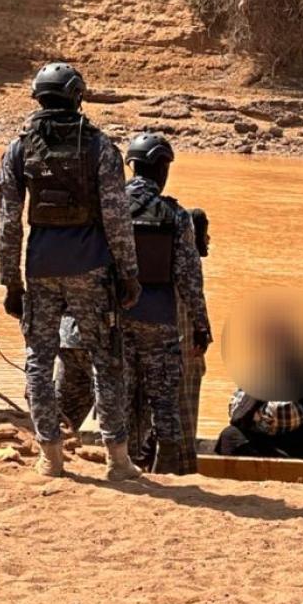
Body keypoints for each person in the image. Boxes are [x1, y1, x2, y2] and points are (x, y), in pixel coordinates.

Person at [0, 62, 143, 480]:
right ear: (77, 97)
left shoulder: (18, 148)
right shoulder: (100, 147)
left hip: (40, 268)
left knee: (38, 362)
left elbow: (7, 222)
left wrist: (11, 281)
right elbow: (117, 219)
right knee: (105, 360)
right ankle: (117, 460)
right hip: (92, 268)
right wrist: (129, 274)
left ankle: (51, 457)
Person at [120, 133, 212, 474]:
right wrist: (201, 326)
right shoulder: (175, 215)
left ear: (132, 167)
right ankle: (170, 472)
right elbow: (189, 278)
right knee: (164, 403)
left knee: (121, 400)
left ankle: (123, 466)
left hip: (115, 321)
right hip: (159, 322)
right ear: (162, 168)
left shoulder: (108, 208)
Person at [172, 207, 211, 474]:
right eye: (205, 233)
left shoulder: (169, 265)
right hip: (185, 352)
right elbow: (195, 308)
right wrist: (202, 332)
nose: (209, 239)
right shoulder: (189, 268)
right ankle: (184, 467)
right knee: (185, 411)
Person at [214, 378, 303, 461]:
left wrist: (248, 415)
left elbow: (280, 419)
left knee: (232, 437)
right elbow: (235, 408)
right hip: (282, 439)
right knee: (230, 435)